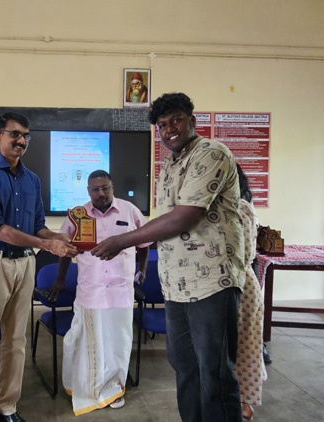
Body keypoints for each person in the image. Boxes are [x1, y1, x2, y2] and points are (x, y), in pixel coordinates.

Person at [91, 92, 245, 422]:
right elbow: (164, 223)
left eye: (176, 120)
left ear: (192, 120)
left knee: (215, 373)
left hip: (211, 282)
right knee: (185, 368)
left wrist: (122, 241)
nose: (169, 129)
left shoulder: (211, 153)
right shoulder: (169, 166)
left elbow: (183, 217)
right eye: (162, 124)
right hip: (176, 286)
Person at [0, 112, 78, 422]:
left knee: (16, 341)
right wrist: (47, 245)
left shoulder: (32, 179)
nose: (21, 140)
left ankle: (6, 407)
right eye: (14, 134)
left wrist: (58, 238)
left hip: (25, 264)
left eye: (26, 135)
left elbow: (38, 226)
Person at [47, 169, 149, 415]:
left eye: (105, 188)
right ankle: (82, 385)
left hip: (121, 291)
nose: (101, 193)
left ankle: (114, 388)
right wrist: (60, 280)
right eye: (95, 189)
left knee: (118, 342)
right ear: (88, 191)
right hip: (90, 291)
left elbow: (144, 243)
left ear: (112, 188)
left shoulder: (130, 210)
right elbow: (64, 248)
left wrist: (142, 269)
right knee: (82, 341)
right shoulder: (77, 216)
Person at [234, 165, 267, 422]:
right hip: (237, 284)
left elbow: (242, 255)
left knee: (243, 348)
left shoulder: (240, 208)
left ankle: (244, 402)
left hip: (240, 287)